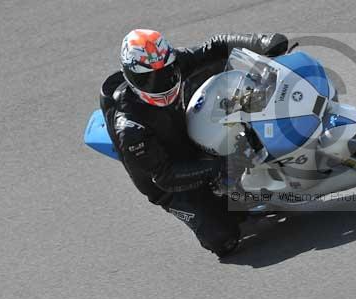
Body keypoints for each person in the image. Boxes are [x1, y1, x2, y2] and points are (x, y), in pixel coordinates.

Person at [99, 29, 288, 257]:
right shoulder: (130, 128)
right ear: (129, 76)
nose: (158, 83)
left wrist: (261, 42)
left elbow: (216, 45)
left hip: (183, 129)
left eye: (164, 73)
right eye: (147, 79)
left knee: (218, 67)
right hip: (167, 180)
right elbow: (165, 177)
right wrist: (218, 168)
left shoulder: (172, 65)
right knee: (223, 239)